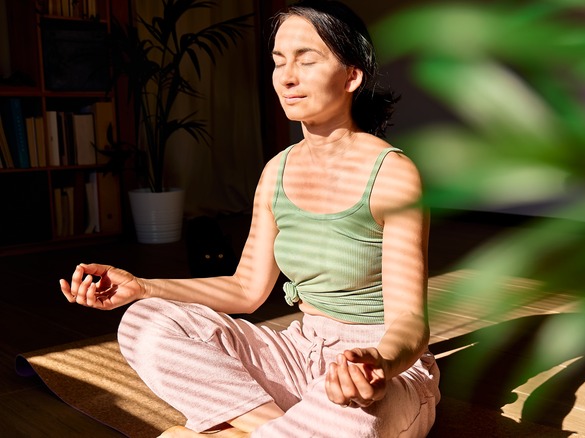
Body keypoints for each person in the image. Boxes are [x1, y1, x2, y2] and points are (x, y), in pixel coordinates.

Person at [59, 1, 440, 437]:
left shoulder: (392, 174)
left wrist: (379, 362)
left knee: (354, 418)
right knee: (145, 321)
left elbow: (410, 321)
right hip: (300, 351)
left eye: (306, 59)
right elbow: (246, 289)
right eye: (279, 61)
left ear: (352, 75)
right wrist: (142, 288)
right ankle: (279, 428)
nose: (287, 77)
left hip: (376, 369)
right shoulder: (276, 171)